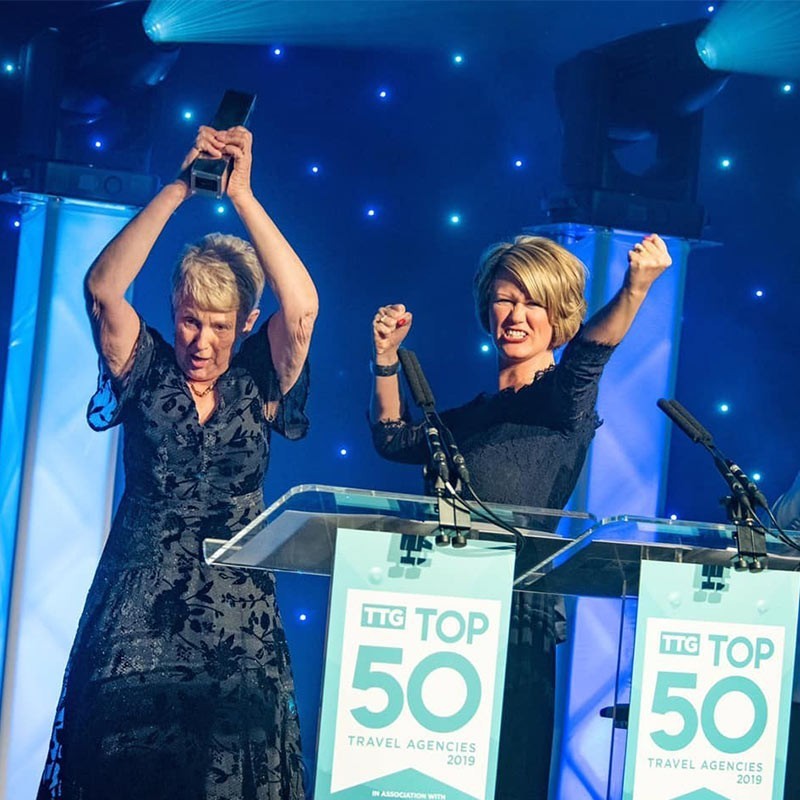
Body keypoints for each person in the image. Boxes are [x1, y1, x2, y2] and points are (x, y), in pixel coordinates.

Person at [37, 125, 318, 800]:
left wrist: (242, 195)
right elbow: (104, 288)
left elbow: (302, 307)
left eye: (221, 324)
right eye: (192, 319)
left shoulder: (259, 381)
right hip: (135, 623)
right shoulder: (149, 368)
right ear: (174, 311)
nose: (201, 339)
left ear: (247, 323)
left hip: (236, 626)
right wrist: (180, 185)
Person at [369, 233, 671, 799]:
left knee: (503, 777)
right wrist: (385, 360)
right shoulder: (475, 415)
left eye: (533, 303)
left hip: (514, 616)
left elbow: (588, 356)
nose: (515, 315)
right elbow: (393, 439)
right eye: (506, 299)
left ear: (559, 317)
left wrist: (634, 289)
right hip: (436, 615)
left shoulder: (561, 402)